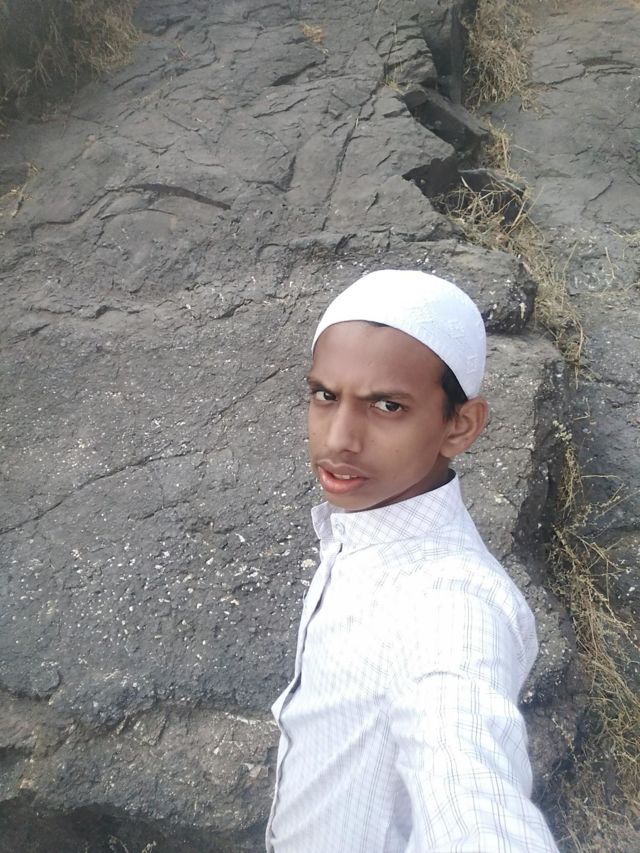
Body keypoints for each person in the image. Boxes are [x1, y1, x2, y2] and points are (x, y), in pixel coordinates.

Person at [266, 270, 559, 852]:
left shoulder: (453, 604)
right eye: (325, 396)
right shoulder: (360, 531)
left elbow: (471, 789)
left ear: (461, 425)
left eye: (387, 406)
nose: (339, 439)